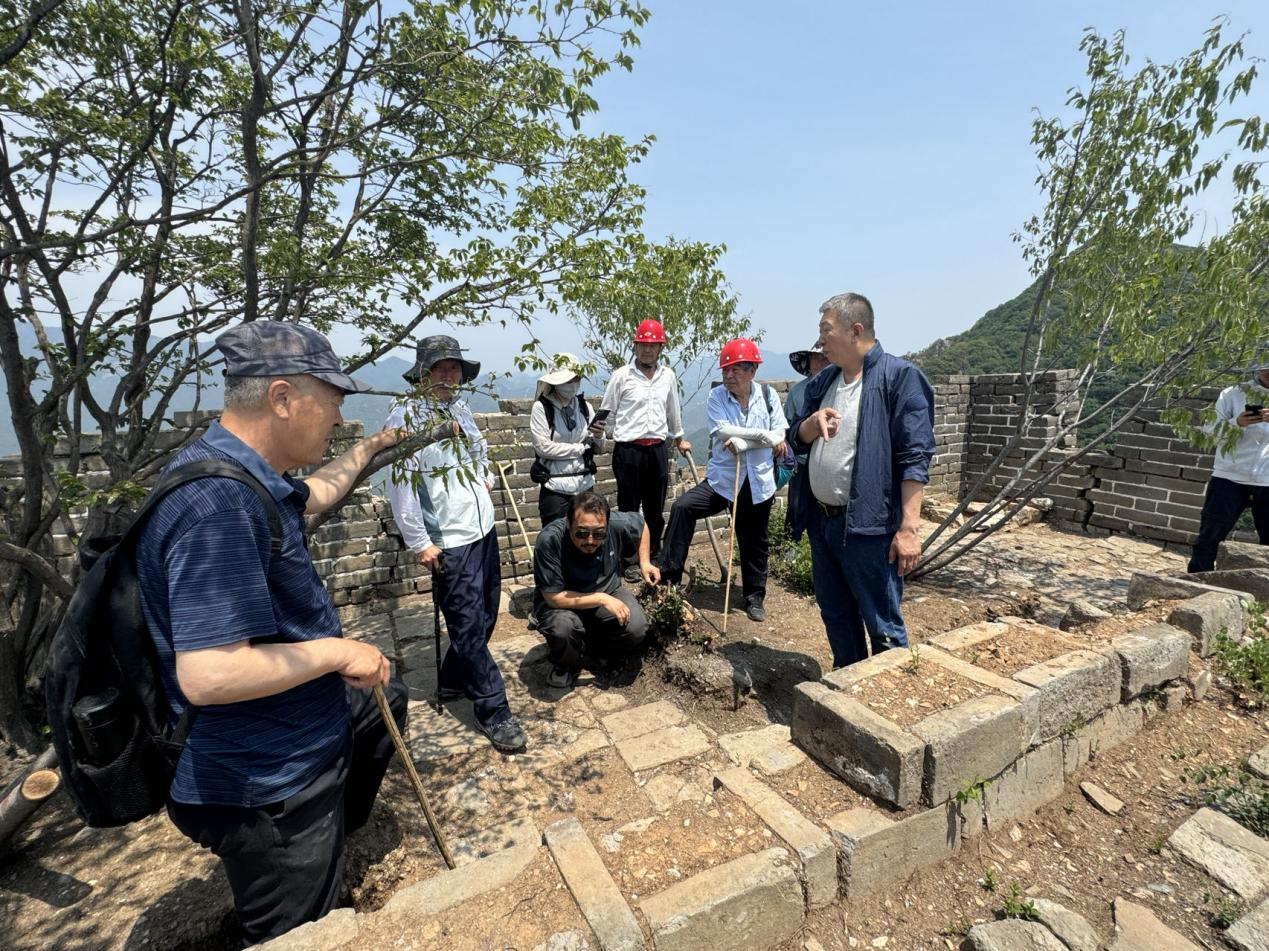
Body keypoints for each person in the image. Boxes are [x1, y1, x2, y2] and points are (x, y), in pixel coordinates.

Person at [135, 321, 408, 946]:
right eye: (332, 402)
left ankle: (335, 830)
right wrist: (336, 650)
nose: (339, 418)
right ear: (282, 399)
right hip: (267, 773)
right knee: (295, 934)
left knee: (383, 699)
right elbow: (209, 674)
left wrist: (369, 449)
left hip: (300, 721)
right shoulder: (219, 507)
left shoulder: (243, 470)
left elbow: (315, 494)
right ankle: (299, 879)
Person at [385, 335, 527, 754]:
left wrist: (484, 478)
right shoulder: (407, 416)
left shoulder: (460, 408)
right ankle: (493, 709)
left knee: (484, 612)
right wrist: (419, 542)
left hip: (481, 528)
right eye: (440, 368)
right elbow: (401, 485)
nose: (449, 375)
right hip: (448, 539)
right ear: (423, 373)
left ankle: (453, 677)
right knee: (466, 622)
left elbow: (479, 451)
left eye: (454, 368)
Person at [786, 293, 936, 668]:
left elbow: (915, 456)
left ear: (855, 330)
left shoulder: (898, 378)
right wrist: (810, 425)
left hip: (870, 528)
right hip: (823, 522)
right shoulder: (825, 382)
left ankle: (887, 691)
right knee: (836, 612)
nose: (820, 340)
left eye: (826, 330)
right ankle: (847, 681)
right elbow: (795, 438)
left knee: (881, 623)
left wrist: (909, 529)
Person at [657, 339, 786, 623]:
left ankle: (754, 597)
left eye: (735, 369)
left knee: (754, 540)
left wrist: (747, 442)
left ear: (752, 371)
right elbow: (722, 430)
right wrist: (763, 438)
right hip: (722, 480)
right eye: (726, 369)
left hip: (757, 481)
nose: (728, 375)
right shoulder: (717, 397)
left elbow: (780, 433)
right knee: (683, 508)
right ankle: (668, 580)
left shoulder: (768, 396)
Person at [532, 490, 659, 689]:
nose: (590, 541)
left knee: (636, 626)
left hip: (608, 592)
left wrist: (645, 562)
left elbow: (641, 525)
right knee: (562, 628)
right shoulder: (550, 540)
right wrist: (601, 598)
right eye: (582, 533)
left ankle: (595, 649)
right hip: (564, 601)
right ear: (568, 523)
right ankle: (566, 663)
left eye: (599, 533)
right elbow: (553, 598)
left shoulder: (616, 523)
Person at [599, 319, 691, 577]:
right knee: (629, 508)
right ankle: (629, 560)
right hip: (629, 451)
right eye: (642, 344)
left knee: (655, 507)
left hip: (657, 450)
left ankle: (653, 555)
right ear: (635, 346)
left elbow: (673, 409)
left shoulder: (667, 376)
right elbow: (607, 411)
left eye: (652, 345)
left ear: (660, 348)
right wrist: (608, 434)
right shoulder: (622, 376)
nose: (647, 350)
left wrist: (679, 438)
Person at [1187, 358, 1269, 572]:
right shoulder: (1233, 394)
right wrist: (1237, 423)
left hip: (1267, 479)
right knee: (1210, 536)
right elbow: (1211, 434)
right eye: (1266, 369)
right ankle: (1197, 579)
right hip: (1229, 476)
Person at [530, 353, 602, 525]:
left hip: (585, 485)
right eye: (568, 380)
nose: (573, 384)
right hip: (555, 488)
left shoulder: (585, 407)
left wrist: (599, 436)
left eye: (576, 379)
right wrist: (580, 448)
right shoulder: (541, 408)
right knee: (556, 535)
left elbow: (598, 448)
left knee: (586, 535)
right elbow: (544, 448)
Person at [785, 342, 831, 429]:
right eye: (815, 358)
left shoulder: (838, 387)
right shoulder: (795, 391)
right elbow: (789, 423)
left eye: (824, 358)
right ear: (808, 361)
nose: (818, 363)